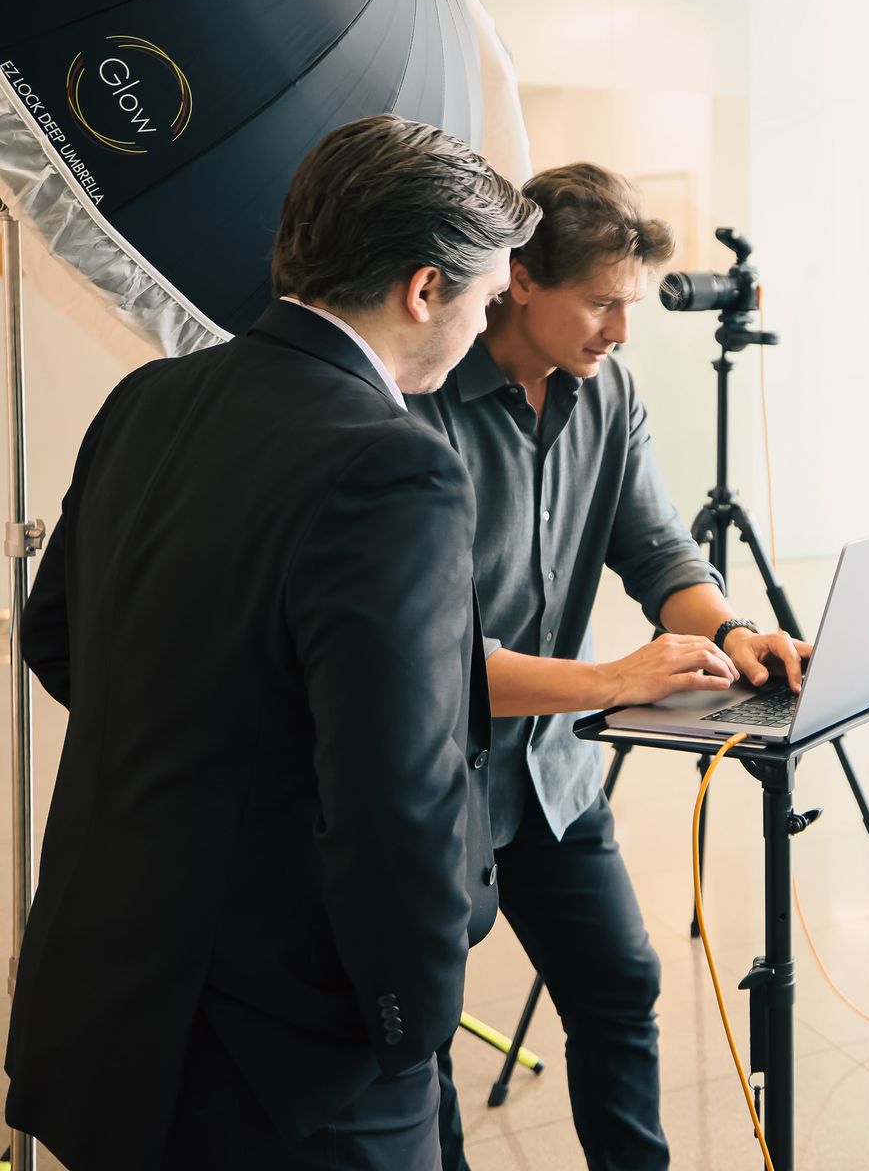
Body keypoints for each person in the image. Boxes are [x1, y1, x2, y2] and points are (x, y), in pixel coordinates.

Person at [6, 114, 541, 1170]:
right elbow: (396, 790)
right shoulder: (394, 466)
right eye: (486, 296)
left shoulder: (149, 397)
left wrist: (206, 770)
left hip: (105, 1001)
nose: (485, 326)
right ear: (425, 287)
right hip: (286, 1055)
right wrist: (412, 1021)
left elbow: (56, 634)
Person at [410, 163, 808, 1170]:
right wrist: (614, 680)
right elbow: (433, 661)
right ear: (520, 281)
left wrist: (731, 632)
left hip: (554, 776)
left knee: (620, 986)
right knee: (422, 1032)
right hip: (433, 780)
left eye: (628, 306)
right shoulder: (421, 410)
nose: (619, 331)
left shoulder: (607, 390)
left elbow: (660, 551)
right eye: (601, 303)